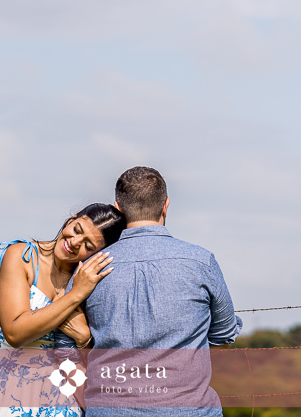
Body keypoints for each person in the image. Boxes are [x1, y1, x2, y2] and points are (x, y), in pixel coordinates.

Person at [78, 166, 242, 416]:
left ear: (118, 209)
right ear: (166, 206)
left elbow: (66, 345)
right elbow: (224, 335)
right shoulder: (201, 261)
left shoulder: (90, 269)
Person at [0, 202, 126, 417]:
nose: (74, 242)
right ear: (72, 218)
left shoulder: (92, 281)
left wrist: (84, 340)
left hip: (65, 397)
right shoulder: (22, 256)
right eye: (77, 230)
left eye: (88, 246)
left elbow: (104, 356)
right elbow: (15, 333)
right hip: (9, 391)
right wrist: (75, 295)